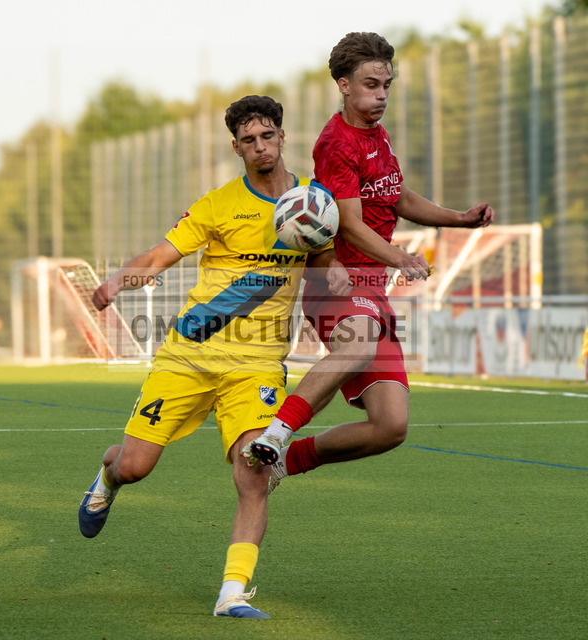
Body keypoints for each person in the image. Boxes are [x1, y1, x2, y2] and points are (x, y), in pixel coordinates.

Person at [77, 95, 350, 619]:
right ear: (236, 147)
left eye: (267, 136)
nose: (260, 147)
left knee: (255, 472)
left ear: (282, 137)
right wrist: (118, 281)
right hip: (191, 353)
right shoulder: (218, 204)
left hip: (257, 364)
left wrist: (333, 269)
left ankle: (232, 593)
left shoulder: (313, 202)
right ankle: (108, 477)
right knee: (135, 466)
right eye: (248, 141)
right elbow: (160, 255)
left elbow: (322, 255)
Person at [244, 32, 495, 488]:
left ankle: (283, 462)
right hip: (337, 281)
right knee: (358, 345)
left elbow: (396, 196)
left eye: (386, 85)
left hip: (372, 287)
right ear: (344, 85)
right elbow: (350, 222)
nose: (381, 95)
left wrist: (458, 219)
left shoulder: (377, 134)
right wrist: (401, 257)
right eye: (370, 85)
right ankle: (277, 432)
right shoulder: (337, 142)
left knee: (390, 426)